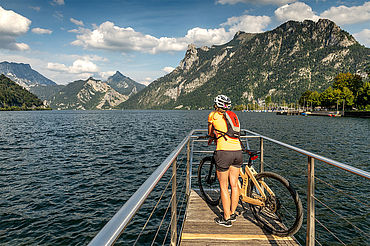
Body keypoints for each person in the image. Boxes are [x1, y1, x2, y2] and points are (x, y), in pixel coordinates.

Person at [208, 95, 243, 227]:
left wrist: (212, 138)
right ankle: (232, 213)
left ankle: (226, 218)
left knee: (224, 186)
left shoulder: (213, 115)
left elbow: (211, 132)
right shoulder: (233, 115)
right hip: (238, 151)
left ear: (216, 105)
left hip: (224, 152)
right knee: (234, 185)